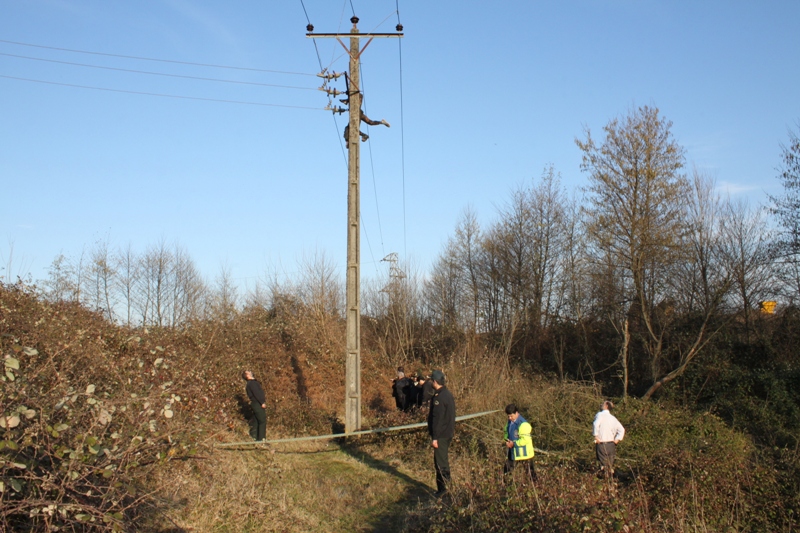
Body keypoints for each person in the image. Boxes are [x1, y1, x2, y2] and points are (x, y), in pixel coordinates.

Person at [427, 369, 455, 497]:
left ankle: (444, 490)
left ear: (435, 381)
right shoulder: (447, 394)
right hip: (447, 433)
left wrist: (435, 438)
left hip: (441, 436)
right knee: (441, 461)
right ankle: (444, 489)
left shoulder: (439, 398)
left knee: (440, 463)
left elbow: (437, 419)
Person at [503, 403, 536, 484]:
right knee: (507, 470)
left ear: (516, 413)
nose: (510, 418)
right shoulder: (510, 422)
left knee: (530, 474)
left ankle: (536, 487)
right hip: (513, 452)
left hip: (525, 454)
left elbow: (525, 440)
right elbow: (506, 431)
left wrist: (513, 444)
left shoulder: (524, 424)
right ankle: (506, 487)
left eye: (511, 416)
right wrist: (506, 440)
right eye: (508, 416)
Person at [593, 400, 625, 477]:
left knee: (603, 466)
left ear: (606, 405)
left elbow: (595, 424)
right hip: (611, 445)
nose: (601, 404)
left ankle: (604, 482)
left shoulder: (600, 415)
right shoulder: (613, 418)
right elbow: (622, 430)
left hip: (602, 443)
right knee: (610, 466)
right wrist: (617, 439)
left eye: (603, 403)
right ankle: (611, 483)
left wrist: (595, 436)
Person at [242, 370, 267, 442]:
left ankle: (254, 438)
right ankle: (262, 440)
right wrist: (262, 402)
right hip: (257, 403)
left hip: (256, 403)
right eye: (248, 372)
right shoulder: (252, 384)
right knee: (262, 421)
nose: (250, 371)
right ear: (247, 376)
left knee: (256, 421)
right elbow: (257, 394)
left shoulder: (252, 383)